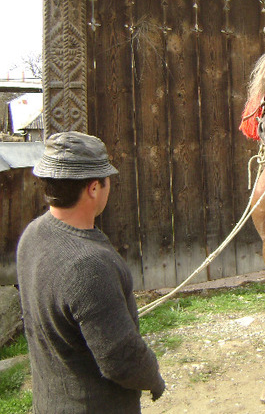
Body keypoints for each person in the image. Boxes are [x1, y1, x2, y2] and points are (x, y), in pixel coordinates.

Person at [16, 131, 165, 413]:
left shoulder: (32, 234)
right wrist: (153, 378)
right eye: (107, 180)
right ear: (94, 188)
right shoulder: (89, 265)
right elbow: (121, 359)